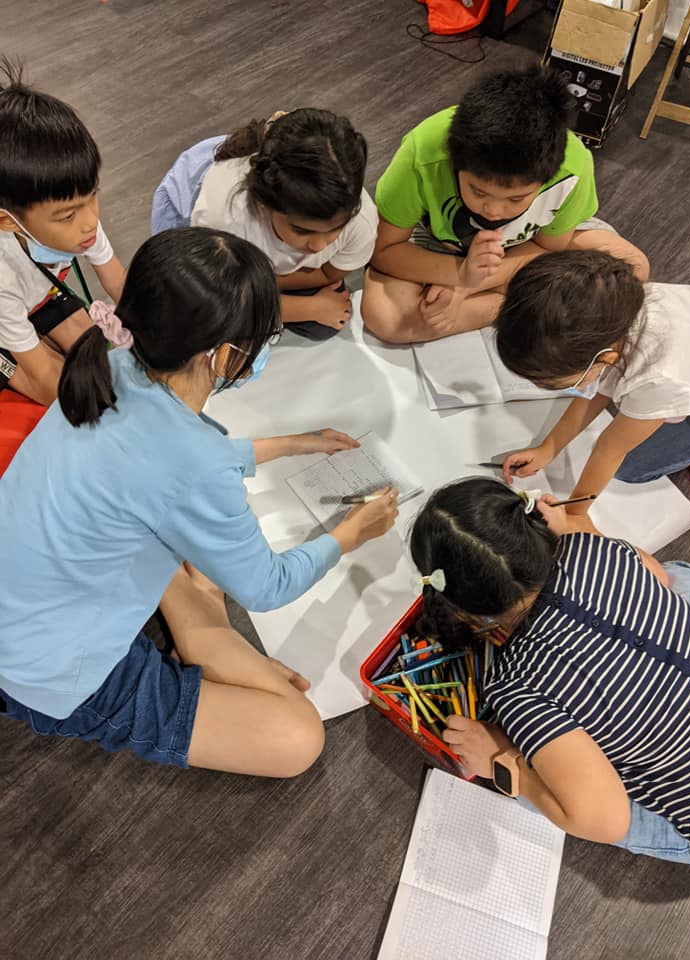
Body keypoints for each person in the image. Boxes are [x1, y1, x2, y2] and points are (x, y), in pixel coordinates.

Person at [0, 228, 398, 777]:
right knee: (298, 738)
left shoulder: (112, 362)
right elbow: (267, 586)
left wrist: (289, 444)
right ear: (224, 354)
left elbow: (168, 459)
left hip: (32, 598)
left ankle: (201, 631)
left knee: (186, 545)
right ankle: (199, 637)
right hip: (44, 673)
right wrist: (352, 532)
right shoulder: (194, 463)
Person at [410, 477, 690, 871]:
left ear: (462, 608)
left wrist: (505, 764)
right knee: (680, 576)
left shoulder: (514, 682)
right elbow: (656, 575)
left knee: (569, 793)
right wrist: (576, 533)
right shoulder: (592, 550)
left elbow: (605, 820)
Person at [361, 64, 649, 344]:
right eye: (478, 192)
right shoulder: (423, 152)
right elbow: (384, 251)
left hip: (529, 245)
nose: (494, 211)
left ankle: (496, 301)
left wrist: (464, 287)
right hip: (441, 242)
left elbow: (547, 247)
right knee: (386, 318)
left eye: (516, 199)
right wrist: (461, 273)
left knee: (633, 269)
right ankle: (522, 304)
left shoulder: (572, 166)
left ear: (544, 180)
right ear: (456, 164)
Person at [496, 250, 690, 509]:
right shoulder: (617, 305)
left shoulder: (658, 378)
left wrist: (575, 512)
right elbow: (598, 389)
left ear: (604, 357)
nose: (573, 389)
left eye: (567, 384)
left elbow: (610, 450)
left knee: (631, 467)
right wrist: (549, 448)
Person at [151, 108, 378, 341]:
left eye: (336, 228)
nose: (319, 246)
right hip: (190, 214)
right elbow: (215, 298)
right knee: (190, 318)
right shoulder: (225, 218)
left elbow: (330, 272)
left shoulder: (361, 219)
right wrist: (308, 307)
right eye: (302, 230)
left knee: (321, 325)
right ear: (264, 204)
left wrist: (261, 292)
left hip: (251, 255)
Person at [0, 61, 125, 408]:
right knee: (61, 394)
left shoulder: (75, 212)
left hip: (37, 294)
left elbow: (118, 282)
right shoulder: (2, 278)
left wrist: (150, 337)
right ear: (8, 221)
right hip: (8, 298)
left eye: (93, 196)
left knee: (103, 365)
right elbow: (42, 378)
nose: (90, 222)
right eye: (68, 215)